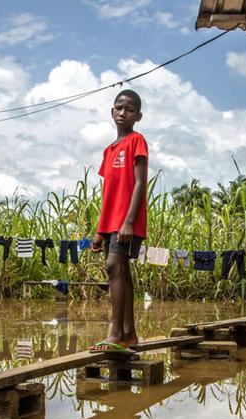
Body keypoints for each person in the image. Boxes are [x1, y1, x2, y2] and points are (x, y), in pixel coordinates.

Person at [90, 89, 149, 353]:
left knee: (113, 267)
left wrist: (128, 222)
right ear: (112, 112)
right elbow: (108, 195)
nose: (123, 113)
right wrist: (101, 230)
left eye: (129, 109)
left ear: (138, 115)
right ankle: (129, 334)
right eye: (119, 108)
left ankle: (115, 333)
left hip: (126, 222)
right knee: (121, 272)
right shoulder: (109, 151)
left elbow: (139, 184)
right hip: (111, 223)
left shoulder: (137, 141)